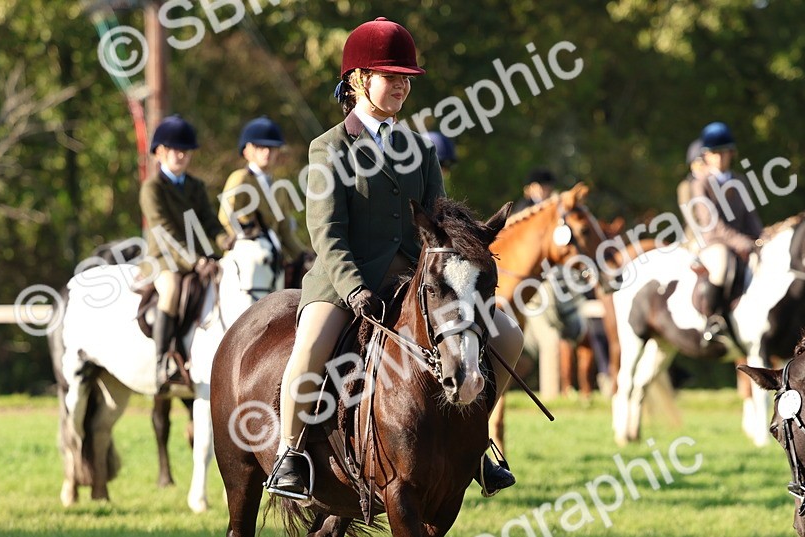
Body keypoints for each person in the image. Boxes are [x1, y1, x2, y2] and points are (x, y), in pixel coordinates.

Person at [265, 17, 524, 501]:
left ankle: (477, 440)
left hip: (415, 279)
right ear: (360, 81)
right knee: (309, 349)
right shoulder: (328, 148)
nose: (403, 85)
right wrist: (354, 288)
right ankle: (289, 453)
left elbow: (440, 220)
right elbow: (326, 231)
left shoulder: (419, 148)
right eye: (393, 76)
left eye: (407, 78)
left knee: (508, 336)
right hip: (347, 280)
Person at [139, 114, 223, 385]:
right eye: (176, 150)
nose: (182, 156)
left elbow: (210, 221)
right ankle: (162, 361)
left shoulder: (196, 186)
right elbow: (166, 233)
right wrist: (196, 261)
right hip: (163, 258)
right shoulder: (151, 188)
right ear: (160, 152)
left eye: (186, 151)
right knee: (173, 288)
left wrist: (227, 243)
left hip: (198, 256)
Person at [688, 122, 762, 342]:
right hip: (714, 242)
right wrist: (742, 242)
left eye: (724, 152)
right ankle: (713, 318)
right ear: (706, 156)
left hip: (742, 241)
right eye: (714, 153)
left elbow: (750, 216)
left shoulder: (740, 180)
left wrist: (761, 237)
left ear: (732, 153)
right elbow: (712, 223)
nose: (719, 157)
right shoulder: (700, 183)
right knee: (721, 267)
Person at [219, 116, 313, 288]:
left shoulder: (280, 185)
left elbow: (284, 230)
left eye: (272, 147)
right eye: (261, 147)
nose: (267, 152)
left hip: (274, 259)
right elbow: (227, 216)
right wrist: (252, 238)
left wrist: (303, 255)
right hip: (245, 257)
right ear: (247, 150)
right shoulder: (240, 178)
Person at [676, 138, 706, 241]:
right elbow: (691, 218)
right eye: (701, 162)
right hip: (696, 237)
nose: (704, 165)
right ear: (692, 164)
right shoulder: (686, 186)